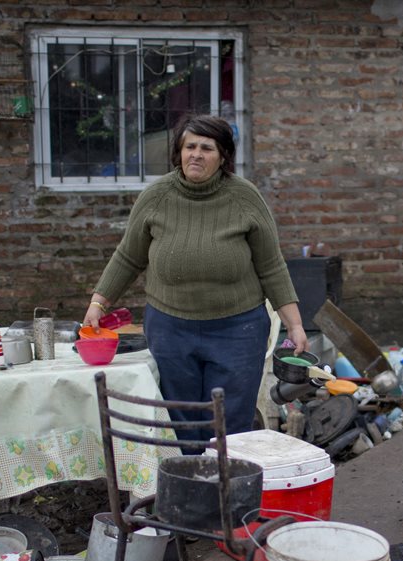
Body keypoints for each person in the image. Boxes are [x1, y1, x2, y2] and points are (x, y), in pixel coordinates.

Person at [83, 114, 307, 441]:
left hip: (238, 330)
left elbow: (271, 265)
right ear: (179, 152)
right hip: (171, 328)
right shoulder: (156, 197)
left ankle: (227, 488)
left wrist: (295, 325)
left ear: (223, 156)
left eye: (207, 148)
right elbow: (128, 257)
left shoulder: (245, 198)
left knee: (231, 425)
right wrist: (98, 303)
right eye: (190, 146)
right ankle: (192, 486)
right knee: (182, 421)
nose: (196, 155)